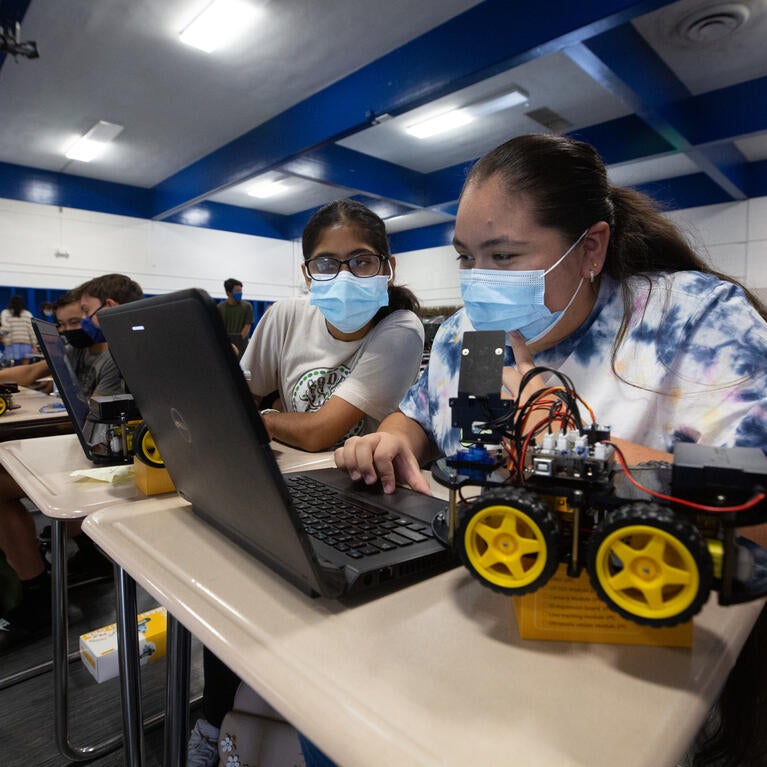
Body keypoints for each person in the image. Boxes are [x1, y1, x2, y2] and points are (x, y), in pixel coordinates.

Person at [332, 134, 767, 767]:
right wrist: (391, 438)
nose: (479, 283)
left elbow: (755, 510)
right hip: (477, 635)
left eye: (504, 255)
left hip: (635, 665)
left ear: (590, 247)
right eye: (466, 258)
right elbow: (419, 414)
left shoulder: (693, 321)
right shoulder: (466, 334)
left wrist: (542, 409)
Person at [188, 199, 425, 767]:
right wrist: (253, 416)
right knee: (233, 573)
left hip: (371, 496)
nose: (343, 275)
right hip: (294, 483)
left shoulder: (401, 327)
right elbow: (236, 397)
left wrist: (263, 421)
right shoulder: (287, 316)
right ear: (305, 272)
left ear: (387, 268)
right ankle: (214, 720)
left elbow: (322, 432)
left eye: (362, 261)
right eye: (326, 263)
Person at [0, 274, 144, 653]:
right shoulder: (88, 347)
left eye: (82, 313)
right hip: (93, 446)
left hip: (117, 458)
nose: (75, 324)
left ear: (108, 309)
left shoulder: (122, 352)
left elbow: (95, 413)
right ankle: (73, 560)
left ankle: (36, 598)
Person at [217, 278, 254, 355]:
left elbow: (247, 326)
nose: (240, 293)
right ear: (228, 293)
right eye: (237, 291)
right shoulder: (220, 308)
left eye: (241, 290)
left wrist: (237, 341)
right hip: (225, 344)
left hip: (241, 346)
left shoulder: (247, 306)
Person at [0, 295, 38, 365]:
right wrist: (34, 346)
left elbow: (5, 329)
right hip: (26, 344)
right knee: (25, 368)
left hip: (11, 343)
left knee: (11, 367)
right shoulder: (28, 314)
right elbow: (32, 331)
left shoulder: (5, 313)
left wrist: (1, 337)